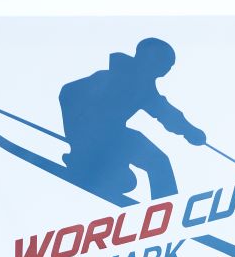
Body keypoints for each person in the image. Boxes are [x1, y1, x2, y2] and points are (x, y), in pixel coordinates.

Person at [58, 37, 206, 199]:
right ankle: (85, 161)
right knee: (157, 162)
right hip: (98, 134)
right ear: (145, 57)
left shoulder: (143, 86)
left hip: (109, 136)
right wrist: (79, 134)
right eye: (164, 62)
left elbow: (165, 113)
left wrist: (189, 131)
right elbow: (68, 92)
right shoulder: (117, 78)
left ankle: (96, 167)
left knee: (136, 176)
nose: (166, 69)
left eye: (169, 65)